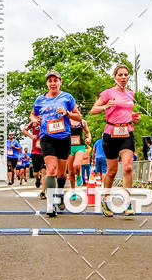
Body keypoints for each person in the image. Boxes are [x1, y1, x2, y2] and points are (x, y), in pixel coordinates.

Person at [89, 64, 141, 215]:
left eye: (126, 75)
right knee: (111, 172)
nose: (123, 77)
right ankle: (106, 199)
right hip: (111, 134)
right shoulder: (107, 93)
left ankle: (127, 201)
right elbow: (93, 110)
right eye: (120, 75)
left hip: (127, 133)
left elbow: (125, 113)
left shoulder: (131, 94)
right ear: (115, 77)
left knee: (127, 167)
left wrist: (133, 118)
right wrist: (106, 107)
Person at [30, 70, 81, 216]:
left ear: (60, 82)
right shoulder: (40, 100)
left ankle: (59, 194)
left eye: (55, 80)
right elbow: (33, 113)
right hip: (47, 137)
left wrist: (67, 113)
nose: (53, 83)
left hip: (64, 137)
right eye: (50, 80)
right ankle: (51, 204)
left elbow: (78, 117)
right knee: (51, 169)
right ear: (47, 83)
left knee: (61, 172)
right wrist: (34, 120)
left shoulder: (67, 97)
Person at [67, 105, 92, 199]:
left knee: (76, 165)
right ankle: (73, 192)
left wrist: (88, 138)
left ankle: (79, 175)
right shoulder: (66, 121)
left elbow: (87, 132)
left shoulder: (82, 122)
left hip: (80, 146)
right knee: (70, 171)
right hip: (69, 147)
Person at [22, 118, 46, 198]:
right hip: (35, 152)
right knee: (35, 173)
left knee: (44, 172)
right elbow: (24, 130)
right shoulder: (33, 122)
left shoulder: (48, 121)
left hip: (45, 151)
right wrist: (32, 136)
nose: (40, 117)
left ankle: (43, 192)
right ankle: (37, 179)